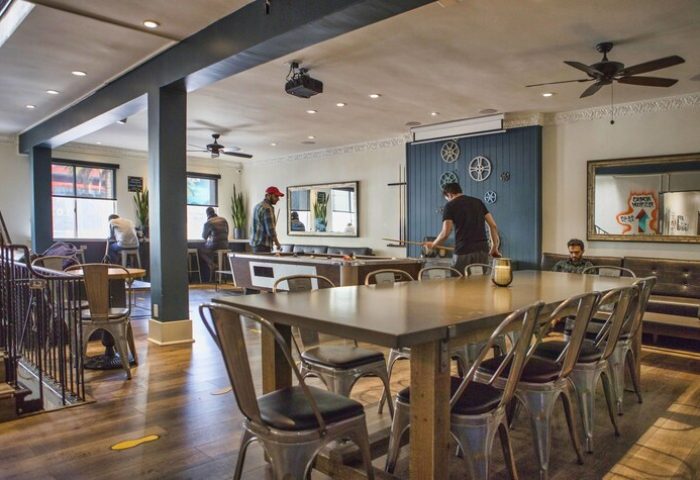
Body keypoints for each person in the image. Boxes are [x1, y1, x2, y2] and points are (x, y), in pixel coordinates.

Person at [425, 182, 501, 274]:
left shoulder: (450, 205)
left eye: (447, 199)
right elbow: (493, 225)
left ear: (449, 194)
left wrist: (433, 244)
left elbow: (445, 233)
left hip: (464, 251)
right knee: (479, 281)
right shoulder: (478, 202)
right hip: (482, 250)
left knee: (458, 280)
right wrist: (494, 247)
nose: (448, 201)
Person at [250, 186, 284, 253]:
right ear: (268, 196)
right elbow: (271, 231)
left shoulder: (257, 206)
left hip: (255, 244)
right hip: (263, 246)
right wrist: (277, 244)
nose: (278, 199)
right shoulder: (267, 208)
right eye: (276, 196)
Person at [200, 207, 229, 280]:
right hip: (225, 245)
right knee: (211, 251)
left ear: (207, 214)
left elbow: (204, 237)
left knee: (201, 251)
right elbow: (227, 232)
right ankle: (219, 274)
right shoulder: (223, 220)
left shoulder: (208, 223)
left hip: (214, 246)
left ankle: (212, 265)